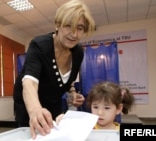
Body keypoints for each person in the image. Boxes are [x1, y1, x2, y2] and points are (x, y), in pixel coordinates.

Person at [13, 0, 95, 139]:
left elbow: (67, 80)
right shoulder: (40, 45)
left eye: (80, 28)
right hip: (30, 103)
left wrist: (73, 92)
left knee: (57, 134)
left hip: (54, 101)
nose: (74, 34)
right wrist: (35, 111)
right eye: (69, 26)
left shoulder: (78, 52)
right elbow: (29, 83)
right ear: (58, 25)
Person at [56, 81, 135, 130]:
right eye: (95, 107)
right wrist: (63, 121)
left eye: (106, 108)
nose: (99, 112)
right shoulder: (85, 128)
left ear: (118, 108)